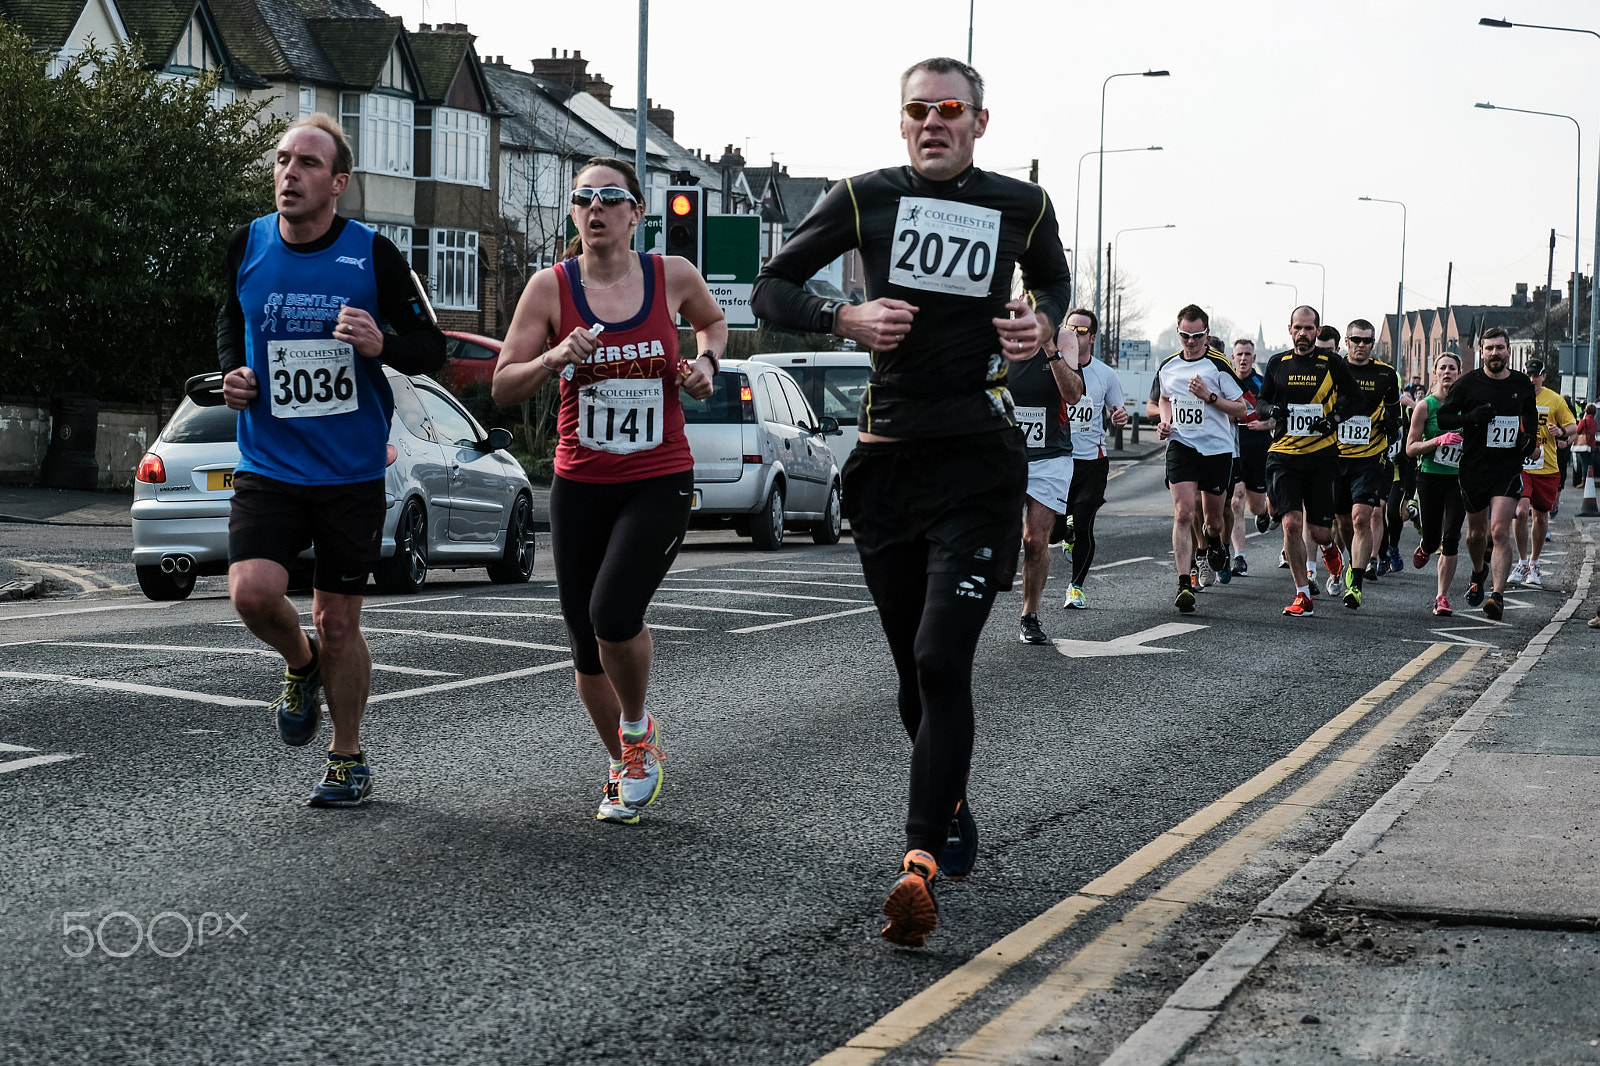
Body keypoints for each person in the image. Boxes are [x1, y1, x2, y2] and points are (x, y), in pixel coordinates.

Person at [750, 57, 1071, 947]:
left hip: (977, 462)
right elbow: (772, 286)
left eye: (951, 109)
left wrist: (1038, 324)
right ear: (901, 124)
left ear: (980, 120)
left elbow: (1054, 282)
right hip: (888, 464)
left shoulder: (1024, 204)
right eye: (918, 110)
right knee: (909, 674)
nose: (934, 122)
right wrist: (839, 319)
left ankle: (918, 860)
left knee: (940, 660)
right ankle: (953, 796)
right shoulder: (862, 198)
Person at [217, 114, 446, 806]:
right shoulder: (247, 242)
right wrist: (233, 372)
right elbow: (233, 315)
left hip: (349, 470)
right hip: (269, 462)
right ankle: (300, 663)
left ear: (338, 183)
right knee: (252, 593)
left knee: (340, 619)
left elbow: (431, 349)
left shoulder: (372, 255)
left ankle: (347, 757)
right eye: (283, 160)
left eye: (309, 164)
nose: (291, 173)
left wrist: (382, 344)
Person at [492, 157, 725, 825]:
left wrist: (706, 363)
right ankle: (626, 759)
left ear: (636, 212)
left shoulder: (669, 276)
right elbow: (504, 384)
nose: (596, 208)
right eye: (583, 199)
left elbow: (712, 324)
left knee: (613, 613)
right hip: (580, 481)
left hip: (658, 478)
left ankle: (634, 728)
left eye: (610, 198)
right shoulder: (549, 288)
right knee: (582, 640)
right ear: (574, 215)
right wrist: (552, 358)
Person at [1255, 306, 1363, 617]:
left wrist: (1334, 420)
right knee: (1290, 523)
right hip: (1284, 455)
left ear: (1317, 330)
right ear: (1289, 329)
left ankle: (1330, 550)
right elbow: (1261, 401)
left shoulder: (1332, 363)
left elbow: (1355, 399)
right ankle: (1303, 593)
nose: (1303, 333)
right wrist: (1271, 411)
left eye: (1309, 328)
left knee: (1320, 532)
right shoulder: (1278, 363)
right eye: (1298, 328)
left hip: (1321, 458)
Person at [1146, 305, 1247, 613]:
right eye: (1185, 335)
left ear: (1207, 334)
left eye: (1197, 335)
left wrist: (1210, 397)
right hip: (1181, 446)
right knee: (1184, 513)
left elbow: (1242, 409)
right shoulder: (1168, 366)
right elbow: (1163, 398)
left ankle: (1216, 544)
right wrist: (1165, 421)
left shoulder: (1219, 366)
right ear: (1179, 333)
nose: (1191, 341)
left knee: (1214, 521)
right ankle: (1183, 583)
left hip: (1216, 450)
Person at [1434, 327, 1539, 619]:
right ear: (1482, 352)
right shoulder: (1468, 384)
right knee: (1477, 534)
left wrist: (1529, 436)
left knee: (1499, 531)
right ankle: (1479, 572)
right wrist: (1470, 418)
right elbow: (1444, 418)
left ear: (1508, 351)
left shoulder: (1520, 383)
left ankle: (1497, 596)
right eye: (1489, 348)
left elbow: (1529, 413)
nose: (1495, 353)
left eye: (1500, 348)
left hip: (1506, 467)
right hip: (1474, 468)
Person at [1012, 319, 1085, 643]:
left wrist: (1049, 349)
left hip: (1050, 456)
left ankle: (1030, 614)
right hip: (1005, 452)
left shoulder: (1064, 338)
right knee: (996, 535)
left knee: (1035, 541)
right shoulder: (999, 332)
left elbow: (1072, 394)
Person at [1329, 319, 1400, 609]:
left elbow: (1395, 413)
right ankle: (1350, 560)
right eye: (1356, 340)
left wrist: (1392, 425)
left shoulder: (1385, 374)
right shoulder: (1333, 370)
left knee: (1361, 518)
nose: (1361, 345)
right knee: (1342, 521)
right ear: (1346, 341)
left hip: (1370, 457)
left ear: (1373, 344)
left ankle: (1355, 583)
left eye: (1367, 341)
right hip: (1334, 456)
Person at [1060, 309, 1128, 608]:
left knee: (1085, 523)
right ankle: (1065, 532)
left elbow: (1117, 411)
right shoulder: (1053, 369)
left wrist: (1119, 416)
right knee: (1053, 530)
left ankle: (1076, 587)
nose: (1075, 333)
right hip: (1057, 461)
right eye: (1070, 327)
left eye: (1082, 330)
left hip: (1092, 461)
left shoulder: (1105, 374)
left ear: (1092, 337)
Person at [1405, 351, 1465, 616]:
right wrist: (1438, 441)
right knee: (1432, 538)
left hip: (1458, 480)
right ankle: (1426, 546)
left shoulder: (1467, 406)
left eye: (1453, 368)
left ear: (1459, 373)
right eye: (1443, 368)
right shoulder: (1425, 406)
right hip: (1430, 477)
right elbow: (1410, 448)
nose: (1448, 372)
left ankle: (1442, 596)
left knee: (1451, 537)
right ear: (1435, 373)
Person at [1509, 359, 1576, 588]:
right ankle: (1522, 561)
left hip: (1547, 466)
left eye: (1535, 375)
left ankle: (1535, 563)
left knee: (1540, 516)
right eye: (1528, 374)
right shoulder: (1516, 396)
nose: (1531, 379)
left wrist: (1561, 431)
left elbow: (1573, 426)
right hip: (1522, 466)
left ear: (1543, 376)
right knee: (1520, 510)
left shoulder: (1555, 400)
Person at [1229, 338, 1272, 575]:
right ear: (1233, 357)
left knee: (1255, 506)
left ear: (1254, 358)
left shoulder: (1262, 384)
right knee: (1236, 499)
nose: (1243, 358)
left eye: (1248, 354)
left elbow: (1276, 418)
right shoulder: (1226, 382)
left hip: (1259, 448)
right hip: (1234, 449)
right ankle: (1240, 558)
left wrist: (1264, 425)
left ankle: (1264, 512)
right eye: (1239, 354)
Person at [1572, 402, 1596, 487]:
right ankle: (1590, 481)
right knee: (1590, 464)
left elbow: (1578, 431)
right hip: (1592, 445)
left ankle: (1584, 482)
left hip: (1584, 445)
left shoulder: (1584, 421)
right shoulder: (1595, 421)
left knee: (1584, 464)